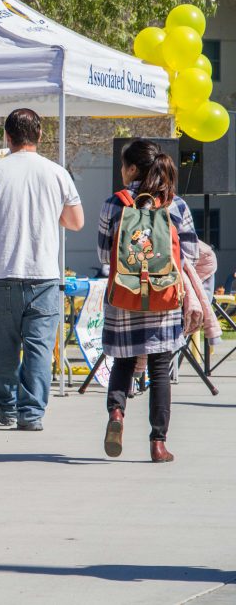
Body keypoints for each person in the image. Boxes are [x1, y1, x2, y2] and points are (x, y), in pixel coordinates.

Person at [0, 108, 83, 431]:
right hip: (42, 275)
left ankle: (8, 408)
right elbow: (75, 222)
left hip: (0, 275)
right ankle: (32, 413)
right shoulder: (56, 173)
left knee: (3, 349)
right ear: (39, 135)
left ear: (7, 137)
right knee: (39, 349)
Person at [98, 140, 197, 463]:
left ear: (132, 169)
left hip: (124, 296)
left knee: (123, 362)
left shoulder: (114, 204)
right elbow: (190, 254)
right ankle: (158, 443)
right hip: (164, 298)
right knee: (159, 369)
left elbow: (103, 256)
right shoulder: (175, 204)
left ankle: (116, 412)